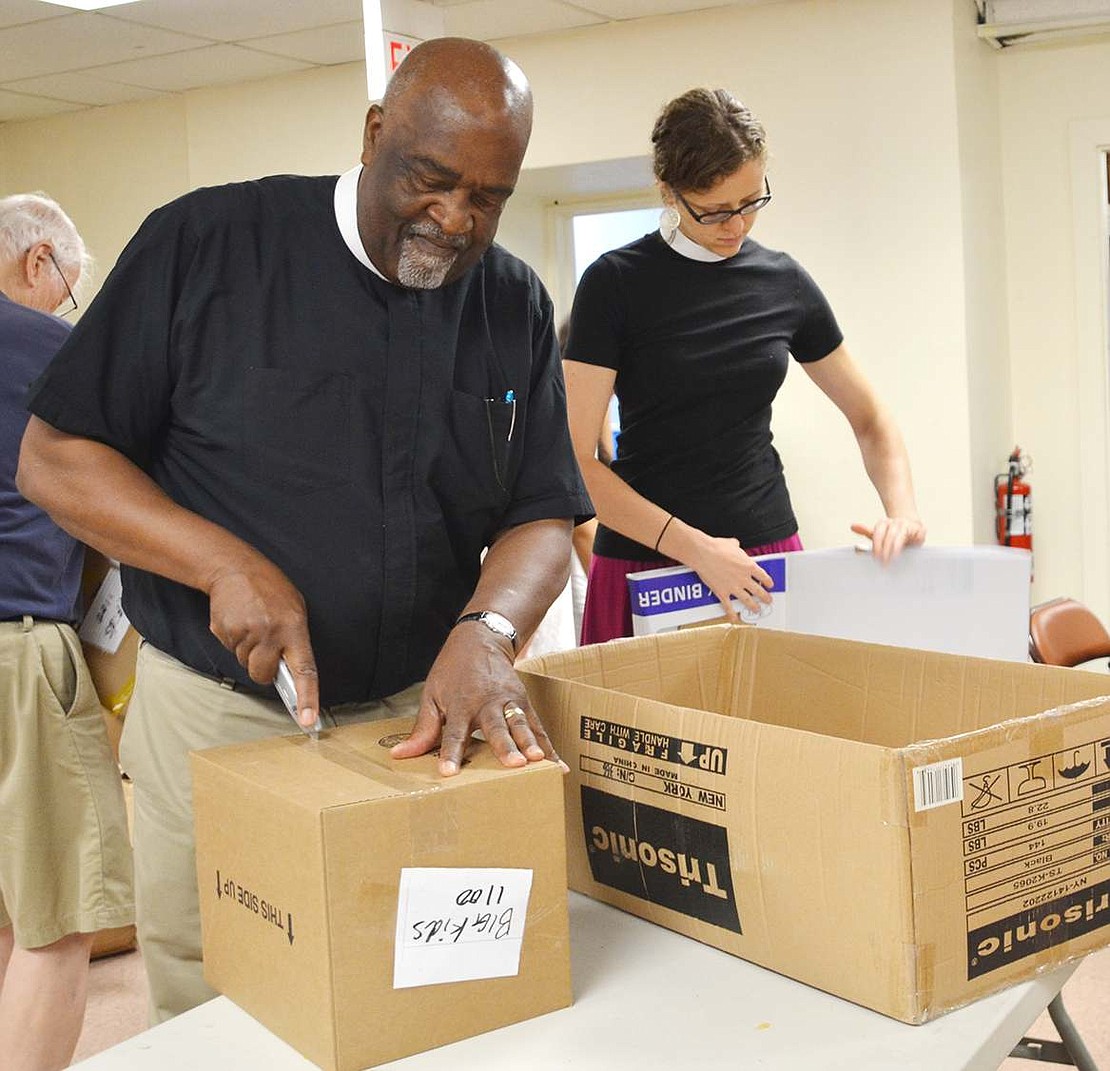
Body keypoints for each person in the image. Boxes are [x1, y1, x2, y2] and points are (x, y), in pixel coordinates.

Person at [17, 38, 591, 1023]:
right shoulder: (207, 246)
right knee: (226, 1002)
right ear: (374, 136)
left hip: (422, 721)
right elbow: (56, 458)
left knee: (426, 1001)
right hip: (222, 717)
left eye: (487, 199)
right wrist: (223, 563)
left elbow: (542, 508)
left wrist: (489, 629)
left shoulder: (511, 304)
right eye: (430, 180)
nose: (453, 221)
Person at [562, 88, 925, 644]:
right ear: (669, 192)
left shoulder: (783, 281)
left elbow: (871, 419)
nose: (736, 225)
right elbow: (575, 461)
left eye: (751, 202)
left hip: (763, 554)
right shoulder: (615, 284)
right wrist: (695, 548)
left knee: (778, 727)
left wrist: (901, 511)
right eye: (713, 211)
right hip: (648, 561)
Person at [0, 193, 135, 1071]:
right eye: (68, 289)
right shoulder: (51, 349)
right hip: (17, 645)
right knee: (58, 913)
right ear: (37, 262)